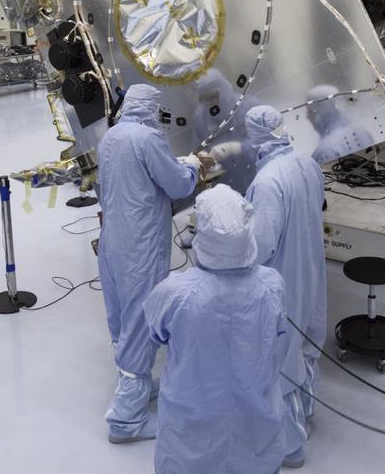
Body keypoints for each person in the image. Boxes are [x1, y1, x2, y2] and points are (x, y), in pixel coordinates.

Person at [145, 184, 288, 474]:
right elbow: (277, 331)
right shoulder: (271, 285)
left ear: (203, 233)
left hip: (192, 432)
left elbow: (156, 333)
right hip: (255, 430)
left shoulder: (176, 292)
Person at [97, 83, 201, 443]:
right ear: (149, 109)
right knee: (142, 317)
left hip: (113, 239)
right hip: (141, 243)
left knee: (122, 315)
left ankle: (133, 380)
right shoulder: (147, 139)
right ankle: (127, 420)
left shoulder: (110, 137)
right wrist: (192, 167)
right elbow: (176, 186)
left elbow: (102, 188)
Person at [244, 105, 327, 468]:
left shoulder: (266, 182)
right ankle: (305, 412)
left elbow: (260, 245)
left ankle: (290, 445)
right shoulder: (307, 162)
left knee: (283, 355)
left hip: (283, 278)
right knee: (307, 341)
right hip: (311, 268)